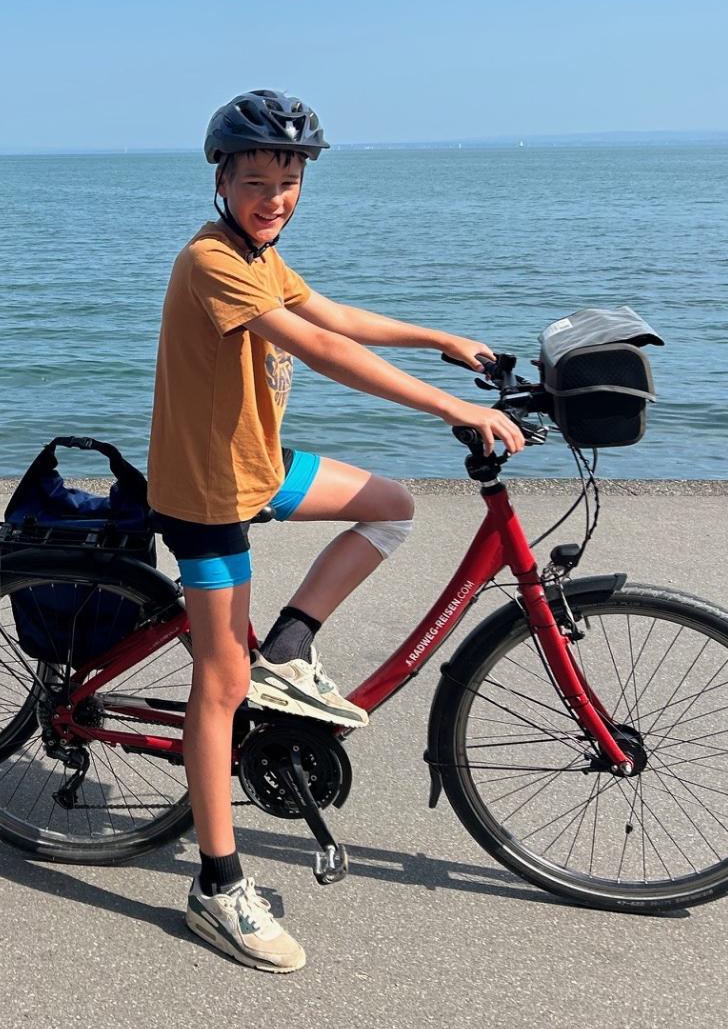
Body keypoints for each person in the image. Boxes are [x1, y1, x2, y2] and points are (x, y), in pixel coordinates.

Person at [148, 90, 524, 970]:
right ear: (221, 179)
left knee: (390, 505)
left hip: (260, 469)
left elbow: (334, 317)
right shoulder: (213, 261)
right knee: (220, 687)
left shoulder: (260, 252)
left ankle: (291, 641)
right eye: (255, 181)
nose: (274, 197)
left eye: (289, 181)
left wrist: (443, 340)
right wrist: (447, 408)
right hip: (207, 494)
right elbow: (317, 350)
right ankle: (217, 887)